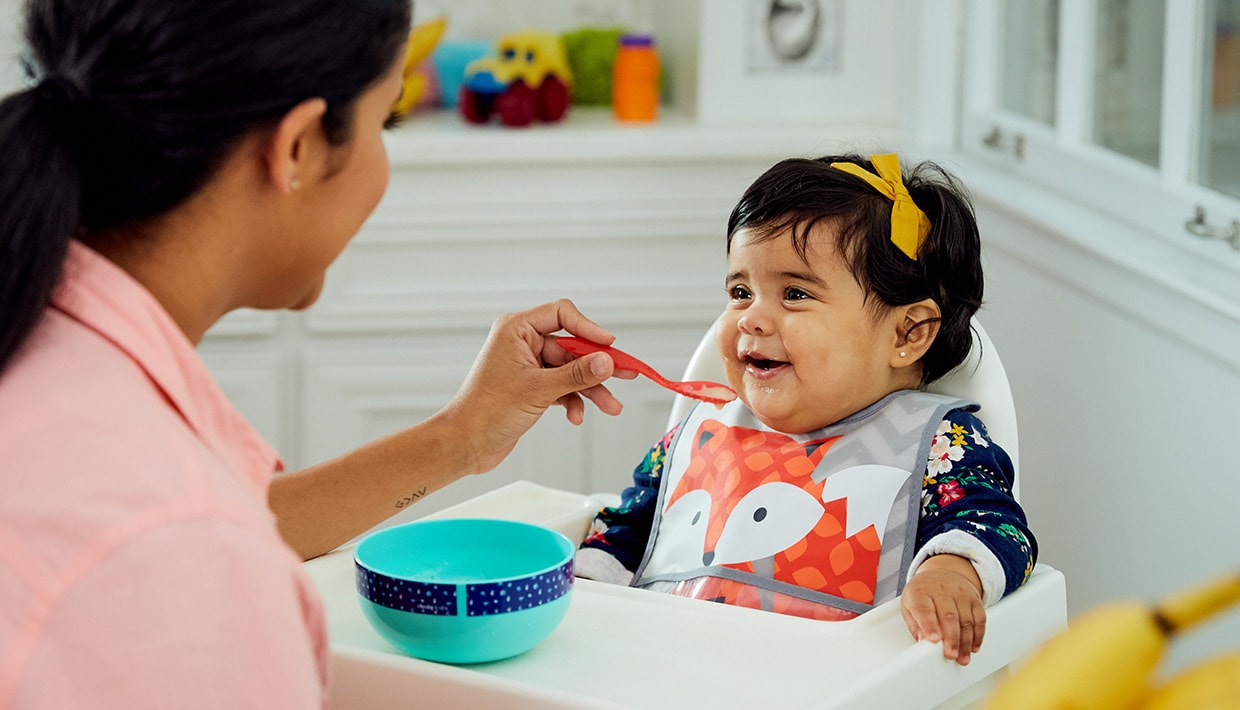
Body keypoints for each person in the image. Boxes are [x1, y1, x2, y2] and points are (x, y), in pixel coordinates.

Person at [0, 0, 628, 706]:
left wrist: (464, 435)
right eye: (382, 120)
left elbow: (237, 517)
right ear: (298, 148)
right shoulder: (178, 554)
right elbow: (186, 544)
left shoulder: (48, 342)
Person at [575, 153, 1037, 667]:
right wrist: (588, 586)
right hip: (667, 673)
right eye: (740, 291)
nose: (751, 317)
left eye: (794, 294)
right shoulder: (703, 431)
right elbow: (629, 528)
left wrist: (950, 573)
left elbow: (994, 526)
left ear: (908, 333)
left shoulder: (935, 445)